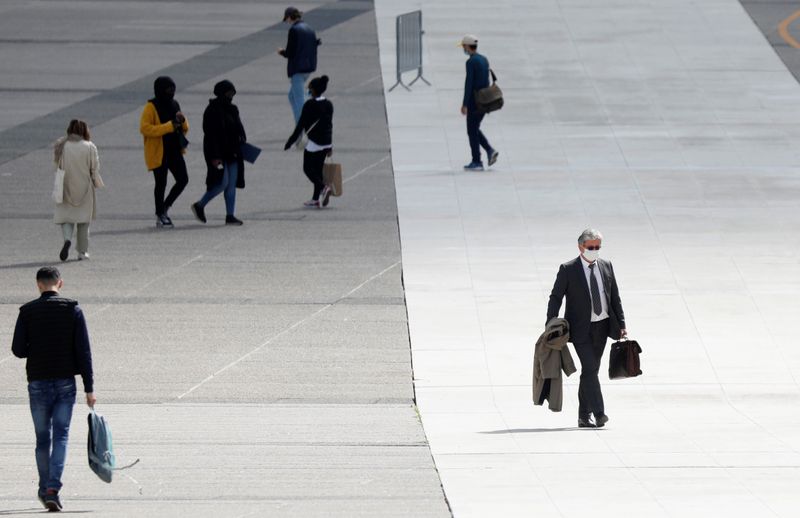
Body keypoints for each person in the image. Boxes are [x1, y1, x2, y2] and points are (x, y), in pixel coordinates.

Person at [11, 267, 96, 512]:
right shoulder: (73, 310)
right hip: (65, 383)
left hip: (37, 381)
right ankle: (52, 489)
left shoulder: (27, 312)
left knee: (41, 438)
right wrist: (89, 388)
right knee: (61, 435)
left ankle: (43, 488)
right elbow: (84, 352)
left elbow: (18, 350)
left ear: (38, 285)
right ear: (61, 283)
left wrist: (35, 346)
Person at [546, 229, 627, 428]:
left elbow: (614, 296)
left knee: (591, 371)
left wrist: (622, 324)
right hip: (580, 329)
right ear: (580, 246)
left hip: (603, 326)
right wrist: (550, 322)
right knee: (590, 368)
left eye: (598, 247)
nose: (595, 250)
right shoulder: (568, 269)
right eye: (591, 247)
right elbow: (556, 296)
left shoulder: (606, 266)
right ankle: (599, 413)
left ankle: (583, 416)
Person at [191, 80, 247, 226]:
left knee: (231, 184)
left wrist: (243, 140)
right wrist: (215, 157)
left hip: (233, 152)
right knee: (222, 182)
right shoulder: (212, 110)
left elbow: (239, 127)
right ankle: (200, 205)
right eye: (228, 93)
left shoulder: (233, 109)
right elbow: (210, 135)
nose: (231, 96)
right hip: (218, 153)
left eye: (232, 93)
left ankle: (230, 215)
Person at [139, 76, 189, 228]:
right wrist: (168, 126)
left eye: (173, 89)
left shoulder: (174, 104)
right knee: (161, 183)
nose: (171, 92)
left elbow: (183, 128)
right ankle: (160, 214)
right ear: (160, 90)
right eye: (168, 90)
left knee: (183, 180)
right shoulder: (150, 107)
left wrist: (183, 121)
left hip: (174, 150)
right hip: (158, 152)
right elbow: (145, 128)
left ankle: (165, 207)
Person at [53, 119, 101, 261]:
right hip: (84, 186)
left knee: (66, 217)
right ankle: (82, 251)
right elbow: (95, 167)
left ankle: (67, 239)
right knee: (83, 220)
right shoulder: (90, 146)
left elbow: (55, 166)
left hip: (65, 185)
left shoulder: (61, 145)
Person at [284, 75, 334, 209]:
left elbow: (301, 125)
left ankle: (324, 188)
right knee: (317, 170)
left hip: (314, 142)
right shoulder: (329, 104)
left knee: (308, 169)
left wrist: (290, 141)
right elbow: (330, 125)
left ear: (313, 90)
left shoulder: (309, 105)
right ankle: (315, 199)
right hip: (326, 142)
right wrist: (330, 145)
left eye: (309, 88)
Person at [460, 34, 498, 171]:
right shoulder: (483, 59)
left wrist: (465, 104)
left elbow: (469, 84)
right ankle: (489, 150)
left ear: (468, 46)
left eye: (463, 46)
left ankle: (477, 161)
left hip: (474, 101)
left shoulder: (470, 62)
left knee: (471, 130)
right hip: (485, 99)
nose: (463, 49)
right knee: (474, 128)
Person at [278, 6, 321, 123]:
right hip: (309, 67)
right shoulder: (309, 28)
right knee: (292, 96)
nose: (287, 21)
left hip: (298, 69)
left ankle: (301, 129)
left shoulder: (294, 30)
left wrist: (282, 52)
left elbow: (290, 52)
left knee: (299, 100)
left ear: (290, 17)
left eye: (287, 19)